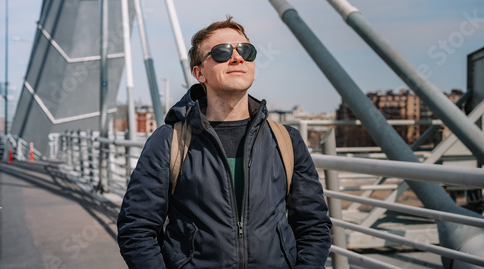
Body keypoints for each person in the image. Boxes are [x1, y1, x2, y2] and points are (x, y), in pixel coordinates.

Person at [117, 16, 332, 268]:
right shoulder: (169, 141)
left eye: (245, 50)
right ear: (199, 73)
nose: (237, 57)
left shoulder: (286, 141)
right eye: (221, 52)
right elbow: (137, 230)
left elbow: (314, 226)